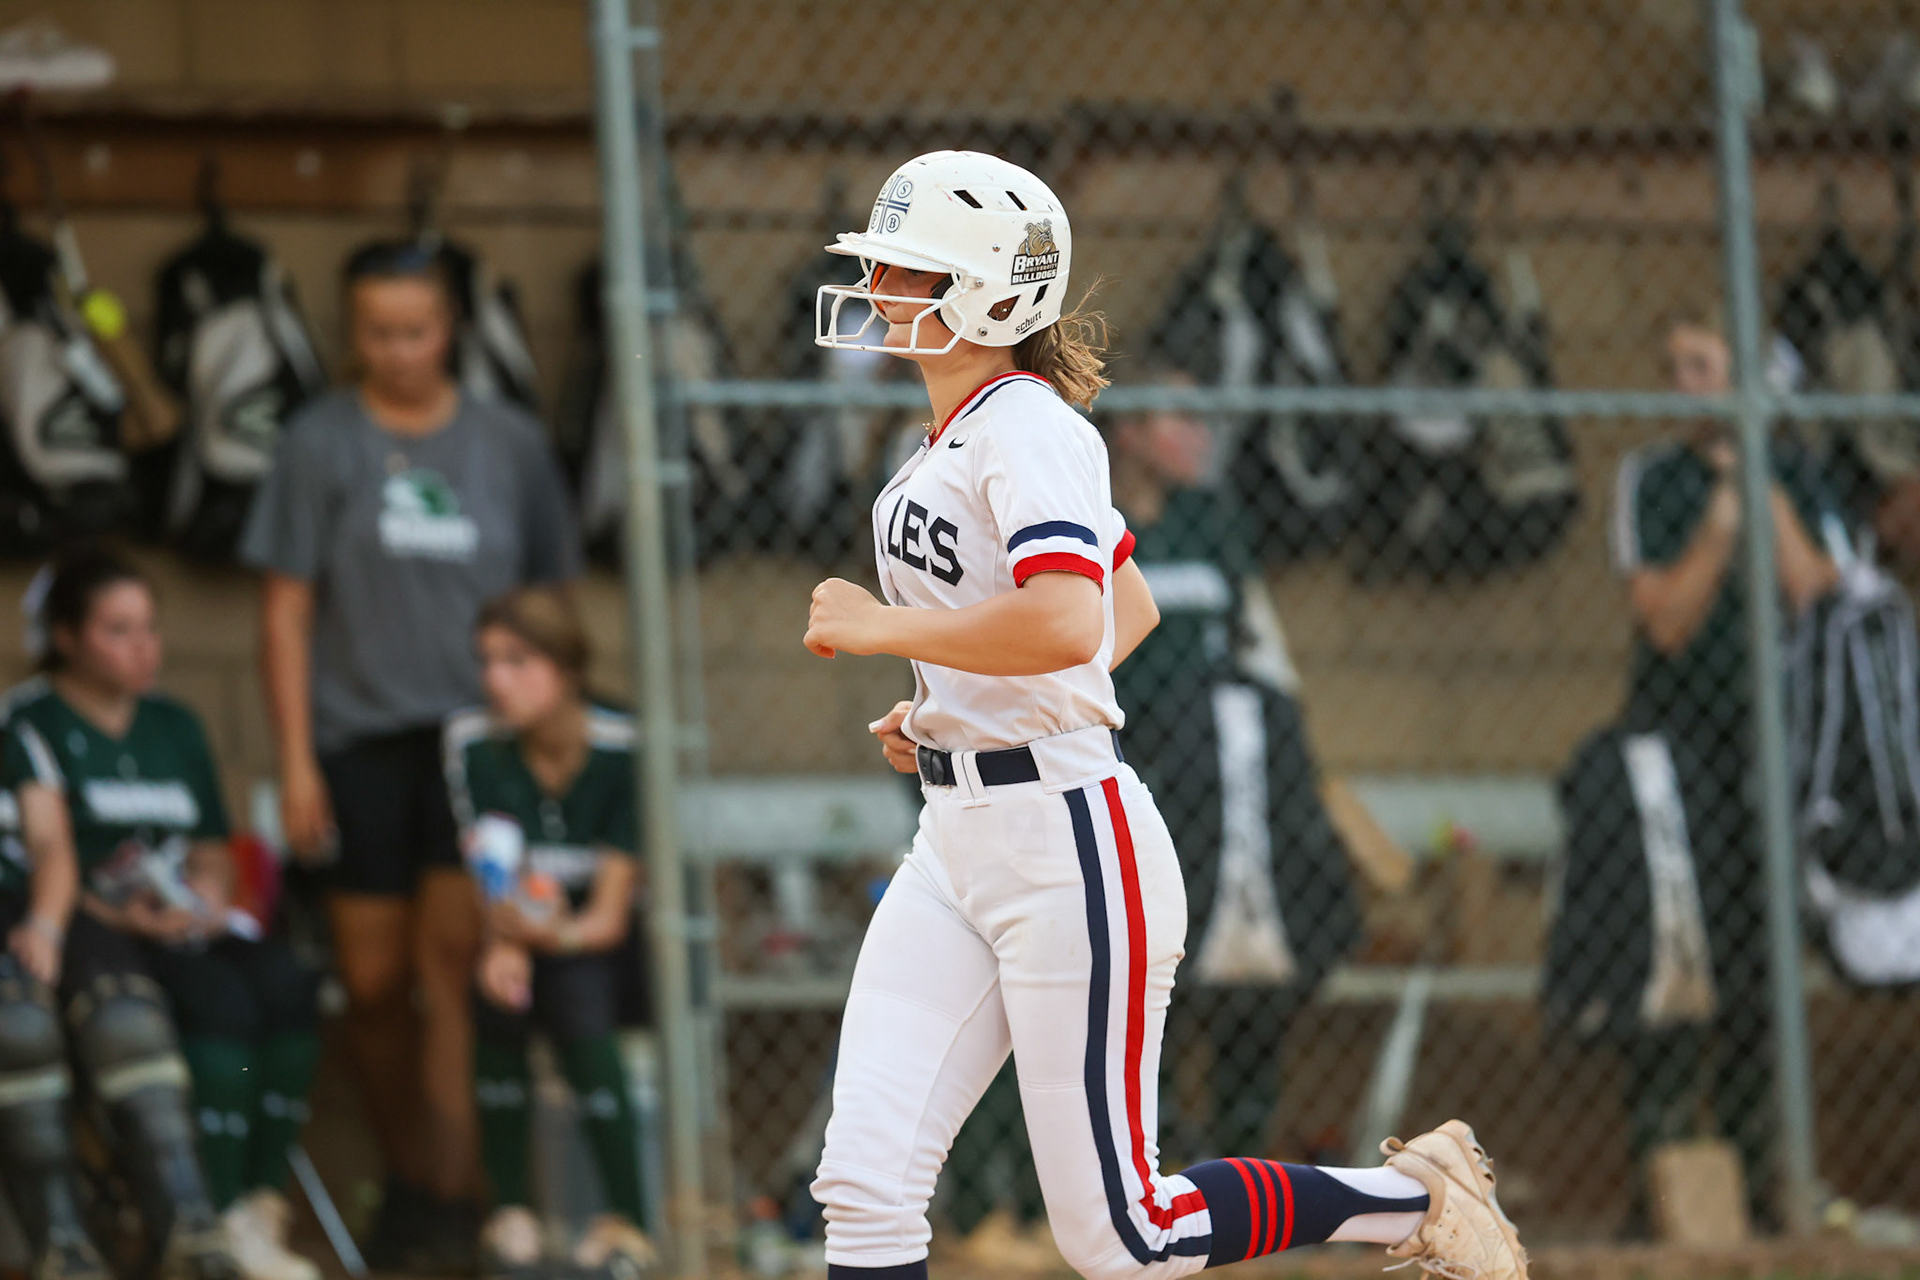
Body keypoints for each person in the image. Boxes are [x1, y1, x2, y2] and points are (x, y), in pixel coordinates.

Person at [798, 150, 1525, 1280]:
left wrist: (892, 634)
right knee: (865, 1180)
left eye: (908, 266)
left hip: (1066, 841)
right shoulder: (941, 439)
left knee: (1123, 1236)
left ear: (986, 292)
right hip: (957, 838)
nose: (880, 282)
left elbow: (1066, 618)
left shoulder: (1030, 425)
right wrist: (952, 705)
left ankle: (1409, 1193)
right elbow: (1123, 608)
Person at [241, 241, 583, 1270]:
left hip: (474, 743)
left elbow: (552, 602)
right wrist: (297, 759)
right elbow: (285, 607)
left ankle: (461, 1203)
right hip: (357, 743)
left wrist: (544, 739)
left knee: (452, 965)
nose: (398, 350)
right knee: (374, 979)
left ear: (451, 331)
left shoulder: (508, 443)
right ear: (353, 332)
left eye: (418, 330)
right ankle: (418, 1174)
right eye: (377, 331)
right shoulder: (318, 441)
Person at [3, 544, 325, 1280]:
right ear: (66, 637)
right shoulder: (29, 721)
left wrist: (208, 894)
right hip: (101, 931)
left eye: (150, 628)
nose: (144, 647)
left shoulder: (175, 723)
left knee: (287, 984)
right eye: (119, 630)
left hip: (182, 921)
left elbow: (211, 843)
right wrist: (118, 915)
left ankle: (255, 1204)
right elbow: (39, 857)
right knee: (219, 1006)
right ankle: (195, 1217)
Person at [1606, 311, 1839, 1231]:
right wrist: (1720, 520)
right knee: (1672, 957)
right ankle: (1657, 1175)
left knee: (1757, 962)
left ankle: (1760, 1171)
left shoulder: (1802, 476)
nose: (1684, 383)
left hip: (1774, 749)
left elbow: (1818, 594)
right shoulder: (1653, 479)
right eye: (1676, 366)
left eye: (1703, 366)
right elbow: (1664, 620)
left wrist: (1764, 491)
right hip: (1672, 746)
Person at [1105, 379, 1359, 1163]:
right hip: (1138, 788)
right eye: (1180, 418)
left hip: (1225, 786)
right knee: (1151, 987)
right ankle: (1145, 1168)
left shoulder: (1212, 523)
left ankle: (1241, 1163)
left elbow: (1260, 648)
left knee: (1254, 973)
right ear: (1131, 430)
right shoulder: (1087, 524)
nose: (1202, 436)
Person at [442, 587, 654, 1280]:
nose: (494, 679)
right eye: (487, 661)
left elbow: (608, 917)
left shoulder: (622, 742)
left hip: (609, 949)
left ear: (565, 667)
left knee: (573, 990)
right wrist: (505, 945)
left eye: (517, 660)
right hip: (528, 941)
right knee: (497, 988)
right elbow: (494, 884)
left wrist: (542, 942)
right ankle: (514, 1213)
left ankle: (629, 1220)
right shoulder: (475, 744)